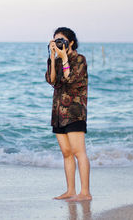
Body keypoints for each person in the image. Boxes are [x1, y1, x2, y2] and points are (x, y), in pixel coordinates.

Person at [45, 27, 92, 202]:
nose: (58, 43)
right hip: (58, 112)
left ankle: (85, 192)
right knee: (66, 153)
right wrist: (52, 57)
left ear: (70, 42)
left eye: (61, 40)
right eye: (55, 40)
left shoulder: (80, 59)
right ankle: (70, 190)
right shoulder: (56, 60)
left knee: (79, 152)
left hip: (74, 112)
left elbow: (71, 79)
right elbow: (51, 80)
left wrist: (64, 58)